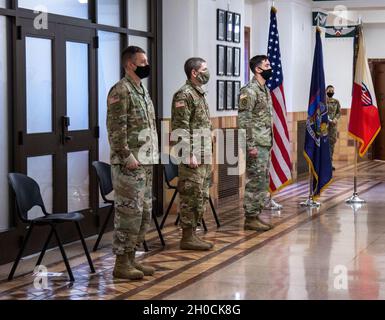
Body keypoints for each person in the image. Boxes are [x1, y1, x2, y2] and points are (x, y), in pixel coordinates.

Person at [106, 46, 158, 280]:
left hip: (145, 162)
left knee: (144, 212)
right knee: (128, 213)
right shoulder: (121, 90)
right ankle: (121, 263)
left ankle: (132, 258)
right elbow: (116, 128)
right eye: (142, 61)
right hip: (129, 164)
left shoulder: (141, 90)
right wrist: (127, 156)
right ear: (130, 64)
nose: (146, 64)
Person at [171, 57, 214, 251]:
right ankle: (187, 237)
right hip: (192, 156)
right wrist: (188, 154)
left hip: (204, 154)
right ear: (194, 72)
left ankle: (193, 234)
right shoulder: (184, 94)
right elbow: (180, 127)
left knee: (201, 195)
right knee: (191, 196)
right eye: (204, 69)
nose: (207, 72)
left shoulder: (199, 94)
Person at [238, 55, 274, 232]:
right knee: (255, 180)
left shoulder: (264, 89)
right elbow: (244, 120)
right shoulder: (249, 91)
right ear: (257, 69)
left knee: (262, 180)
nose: (270, 67)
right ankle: (250, 217)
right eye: (266, 65)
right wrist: (250, 144)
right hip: (256, 144)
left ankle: (256, 214)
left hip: (265, 142)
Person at [326, 85, 341, 170]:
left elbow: (339, 112)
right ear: (326, 91)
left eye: (332, 91)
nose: (331, 92)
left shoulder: (336, 102)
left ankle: (329, 163)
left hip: (333, 127)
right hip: (324, 126)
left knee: (331, 145)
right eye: (329, 90)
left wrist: (335, 119)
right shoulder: (322, 101)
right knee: (324, 144)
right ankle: (323, 163)